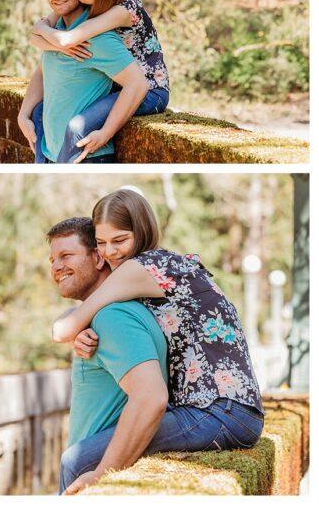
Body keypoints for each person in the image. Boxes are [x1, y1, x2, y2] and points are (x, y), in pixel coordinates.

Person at [50, 190, 263, 494]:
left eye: (120, 240)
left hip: (219, 412)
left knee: (79, 461)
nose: (109, 252)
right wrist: (83, 326)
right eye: (101, 242)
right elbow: (91, 310)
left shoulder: (141, 268)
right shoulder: (165, 266)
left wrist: (100, 474)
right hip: (229, 410)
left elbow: (64, 327)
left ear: (143, 230)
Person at [18, 0, 167, 163]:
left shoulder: (113, 20)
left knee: (77, 128)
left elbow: (66, 40)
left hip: (150, 88)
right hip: (121, 83)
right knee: (40, 112)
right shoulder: (67, 22)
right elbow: (44, 60)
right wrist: (22, 115)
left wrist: (105, 133)